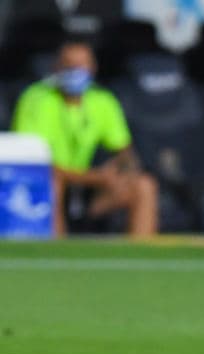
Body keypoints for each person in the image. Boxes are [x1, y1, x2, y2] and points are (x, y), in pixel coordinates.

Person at [11, 40, 158, 237]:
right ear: (56, 67)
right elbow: (31, 162)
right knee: (52, 182)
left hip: (89, 189)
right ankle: (53, 256)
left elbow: (125, 151)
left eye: (82, 65)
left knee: (143, 185)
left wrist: (120, 168)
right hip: (50, 184)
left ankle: (142, 259)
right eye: (69, 65)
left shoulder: (102, 100)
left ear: (93, 68)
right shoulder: (36, 99)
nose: (76, 71)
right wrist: (94, 178)